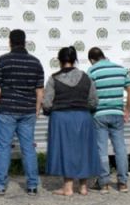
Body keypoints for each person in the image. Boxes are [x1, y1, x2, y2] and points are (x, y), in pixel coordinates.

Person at [0, 29, 45, 196]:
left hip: (7, 111)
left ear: (10, 42)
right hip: (28, 111)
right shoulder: (35, 62)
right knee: (28, 149)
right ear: (25, 42)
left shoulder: (3, 61)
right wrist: (37, 110)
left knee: (3, 148)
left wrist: (1, 103)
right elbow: (40, 90)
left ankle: (0, 185)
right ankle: (32, 186)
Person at [43, 46, 101, 196]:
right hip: (83, 116)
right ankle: (83, 187)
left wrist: (49, 112)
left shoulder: (53, 79)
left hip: (61, 118)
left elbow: (47, 103)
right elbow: (94, 101)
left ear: (60, 61)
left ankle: (67, 187)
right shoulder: (86, 77)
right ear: (74, 60)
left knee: (65, 150)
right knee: (84, 149)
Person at [86, 47, 130, 194]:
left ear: (92, 60)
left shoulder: (92, 71)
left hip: (99, 114)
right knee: (120, 148)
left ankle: (104, 183)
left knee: (101, 149)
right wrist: (127, 111)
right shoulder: (120, 69)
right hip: (117, 113)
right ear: (104, 56)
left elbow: (89, 95)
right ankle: (123, 183)